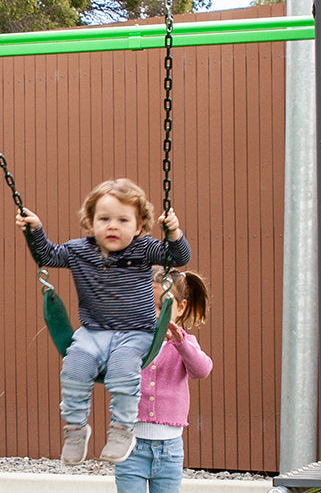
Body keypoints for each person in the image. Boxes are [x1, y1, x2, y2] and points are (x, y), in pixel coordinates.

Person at [17, 179, 190, 465]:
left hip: (137, 333)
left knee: (123, 370)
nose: (112, 225)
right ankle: (75, 428)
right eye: (104, 218)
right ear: (91, 222)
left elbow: (178, 257)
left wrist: (173, 232)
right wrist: (35, 230)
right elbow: (46, 255)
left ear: (138, 227)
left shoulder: (144, 249)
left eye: (123, 220)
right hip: (93, 332)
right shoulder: (79, 251)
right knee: (74, 367)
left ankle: (122, 430)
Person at [116, 269, 211, 493]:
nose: (155, 314)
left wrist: (181, 344)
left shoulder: (185, 344)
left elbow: (202, 370)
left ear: (181, 307)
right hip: (130, 446)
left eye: (163, 307)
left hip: (170, 450)